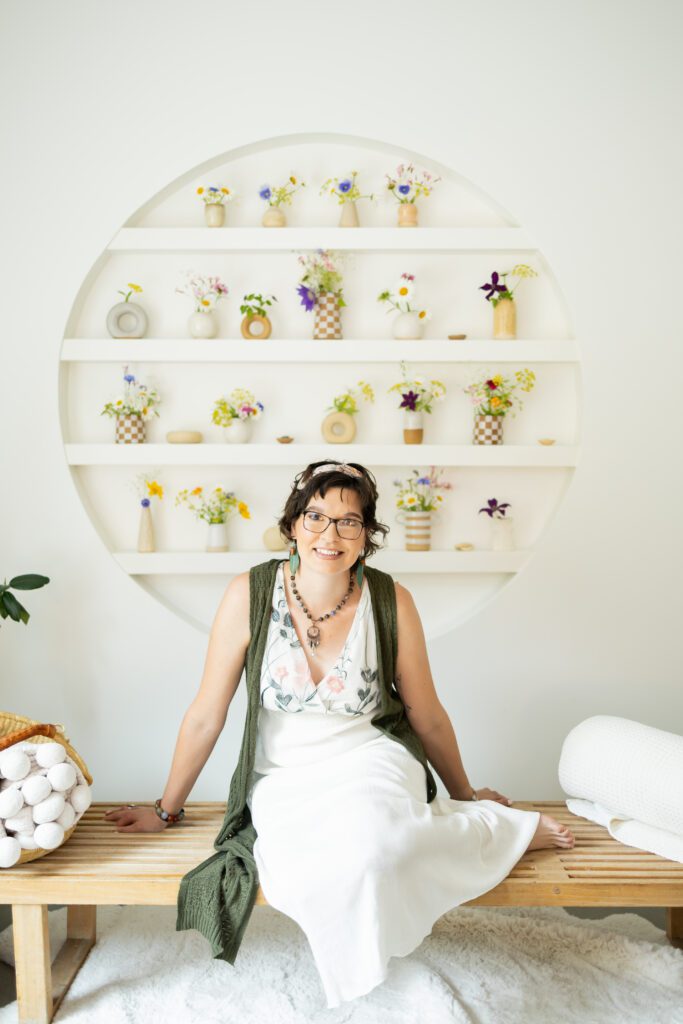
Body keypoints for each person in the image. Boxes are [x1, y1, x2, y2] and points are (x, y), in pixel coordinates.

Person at [104, 459, 575, 1008]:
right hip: (283, 774)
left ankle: (498, 830)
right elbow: (207, 713)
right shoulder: (249, 594)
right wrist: (166, 808)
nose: (330, 535)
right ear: (292, 526)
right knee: (303, 864)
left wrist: (464, 792)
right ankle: (364, 983)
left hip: (372, 759)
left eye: (349, 522)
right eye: (316, 517)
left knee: (381, 847)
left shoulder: (389, 601)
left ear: (366, 537)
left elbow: (428, 715)